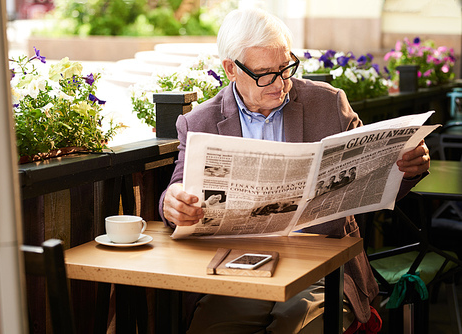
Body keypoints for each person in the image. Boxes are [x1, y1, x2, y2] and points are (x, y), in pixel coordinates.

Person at [159, 8, 430, 334]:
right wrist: (172, 204)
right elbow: (176, 190)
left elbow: (374, 182)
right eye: (264, 73)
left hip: (321, 269)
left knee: (297, 328)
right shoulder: (200, 121)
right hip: (240, 269)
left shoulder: (329, 103)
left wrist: (405, 170)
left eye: (285, 67)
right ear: (231, 69)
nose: (280, 83)